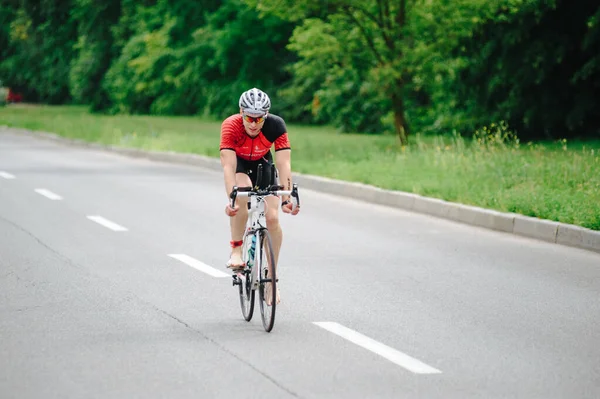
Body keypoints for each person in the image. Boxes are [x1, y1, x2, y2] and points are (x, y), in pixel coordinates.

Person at [219, 88, 300, 303]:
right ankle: (236, 250)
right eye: (248, 117)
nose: (253, 124)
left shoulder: (276, 125)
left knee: (272, 218)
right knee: (243, 194)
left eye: (259, 119)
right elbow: (228, 165)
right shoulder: (231, 125)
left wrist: (286, 198)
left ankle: (272, 279)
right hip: (241, 165)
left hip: (264, 164)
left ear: (266, 116)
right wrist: (231, 198)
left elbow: (284, 163)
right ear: (241, 112)